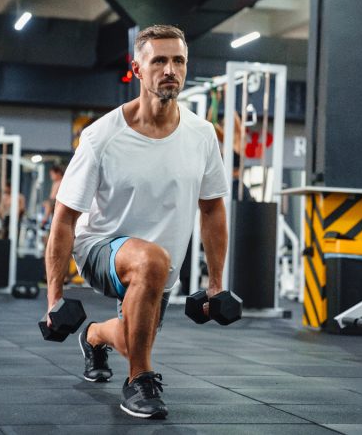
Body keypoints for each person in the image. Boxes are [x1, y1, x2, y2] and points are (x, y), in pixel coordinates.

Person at [45, 25, 228, 420]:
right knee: (150, 262)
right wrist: (54, 299)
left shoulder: (202, 136)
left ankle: (95, 336)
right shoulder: (101, 136)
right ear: (137, 69)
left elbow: (212, 209)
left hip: (162, 268)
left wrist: (216, 286)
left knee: (132, 339)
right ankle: (138, 382)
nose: (169, 69)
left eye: (178, 60)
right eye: (158, 60)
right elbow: (64, 220)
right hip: (100, 247)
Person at [41, 164, 64, 230]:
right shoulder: (55, 183)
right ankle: (45, 220)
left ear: (58, 173)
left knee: (48, 205)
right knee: (45, 203)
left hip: (57, 201)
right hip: (52, 201)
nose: (51, 177)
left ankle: (44, 221)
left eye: (52, 174)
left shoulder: (61, 182)